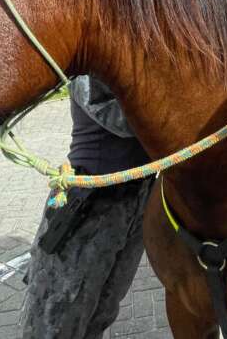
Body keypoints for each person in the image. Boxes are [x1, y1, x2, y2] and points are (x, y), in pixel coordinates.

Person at [21, 76, 154, 339]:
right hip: (86, 205)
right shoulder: (88, 71)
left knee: (102, 309)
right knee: (55, 318)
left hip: (138, 198)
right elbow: (123, 121)